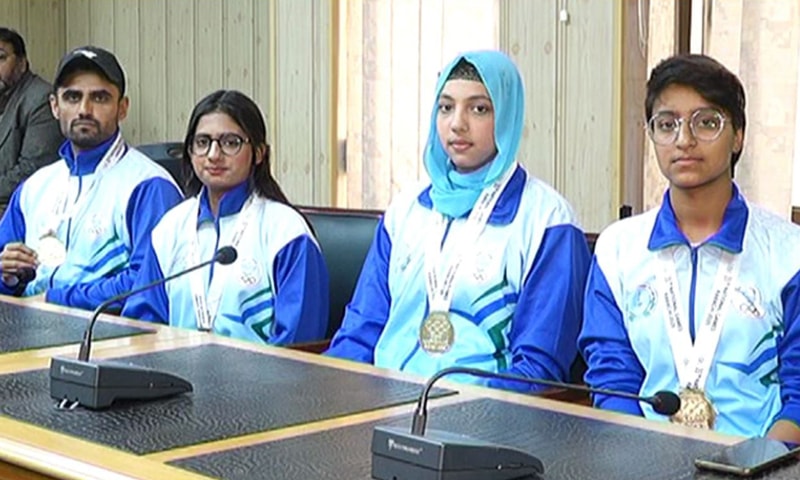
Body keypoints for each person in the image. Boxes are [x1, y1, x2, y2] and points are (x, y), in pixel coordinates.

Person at [325, 50, 590, 392]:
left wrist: (469, 416)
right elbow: (360, 334)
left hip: (486, 422)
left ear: (508, 116)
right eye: (446, 107)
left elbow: (538, 369)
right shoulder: (405, 211)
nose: (457, 124)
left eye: (479, 108)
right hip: (382, 409)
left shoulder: (547, 220)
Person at [579, 53, 800, 441]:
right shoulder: (618, 250)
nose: (684, 140)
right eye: (667, 124)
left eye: (707, 122)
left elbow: (798, 394)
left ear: (738, 136)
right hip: (643, 459)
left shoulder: (789, 253)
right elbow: (613, 379)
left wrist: (759, 463)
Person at [122, 90, 329, 345]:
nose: (213, 155)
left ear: (259, 152)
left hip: (263, 383)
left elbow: (299, 345)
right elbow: (142, 328)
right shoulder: (170, 228)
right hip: (175, 379)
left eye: (230, 143)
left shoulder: (286, 232)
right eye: (202, 142)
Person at [0, 46, 183, 309]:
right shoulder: (34, 187)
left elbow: (147, 285)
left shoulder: (148, 186)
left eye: (100, 98)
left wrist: (57, 299)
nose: (84, 110)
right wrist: (7, 277)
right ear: (55, 106)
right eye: (72, 97)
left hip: (110, 341)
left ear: (122, 108)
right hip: (28, 334)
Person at [0, 28, 63, 215]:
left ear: (22, 63)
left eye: (1, 58)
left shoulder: (40, 99)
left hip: (20, 211)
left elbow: (32, 172)